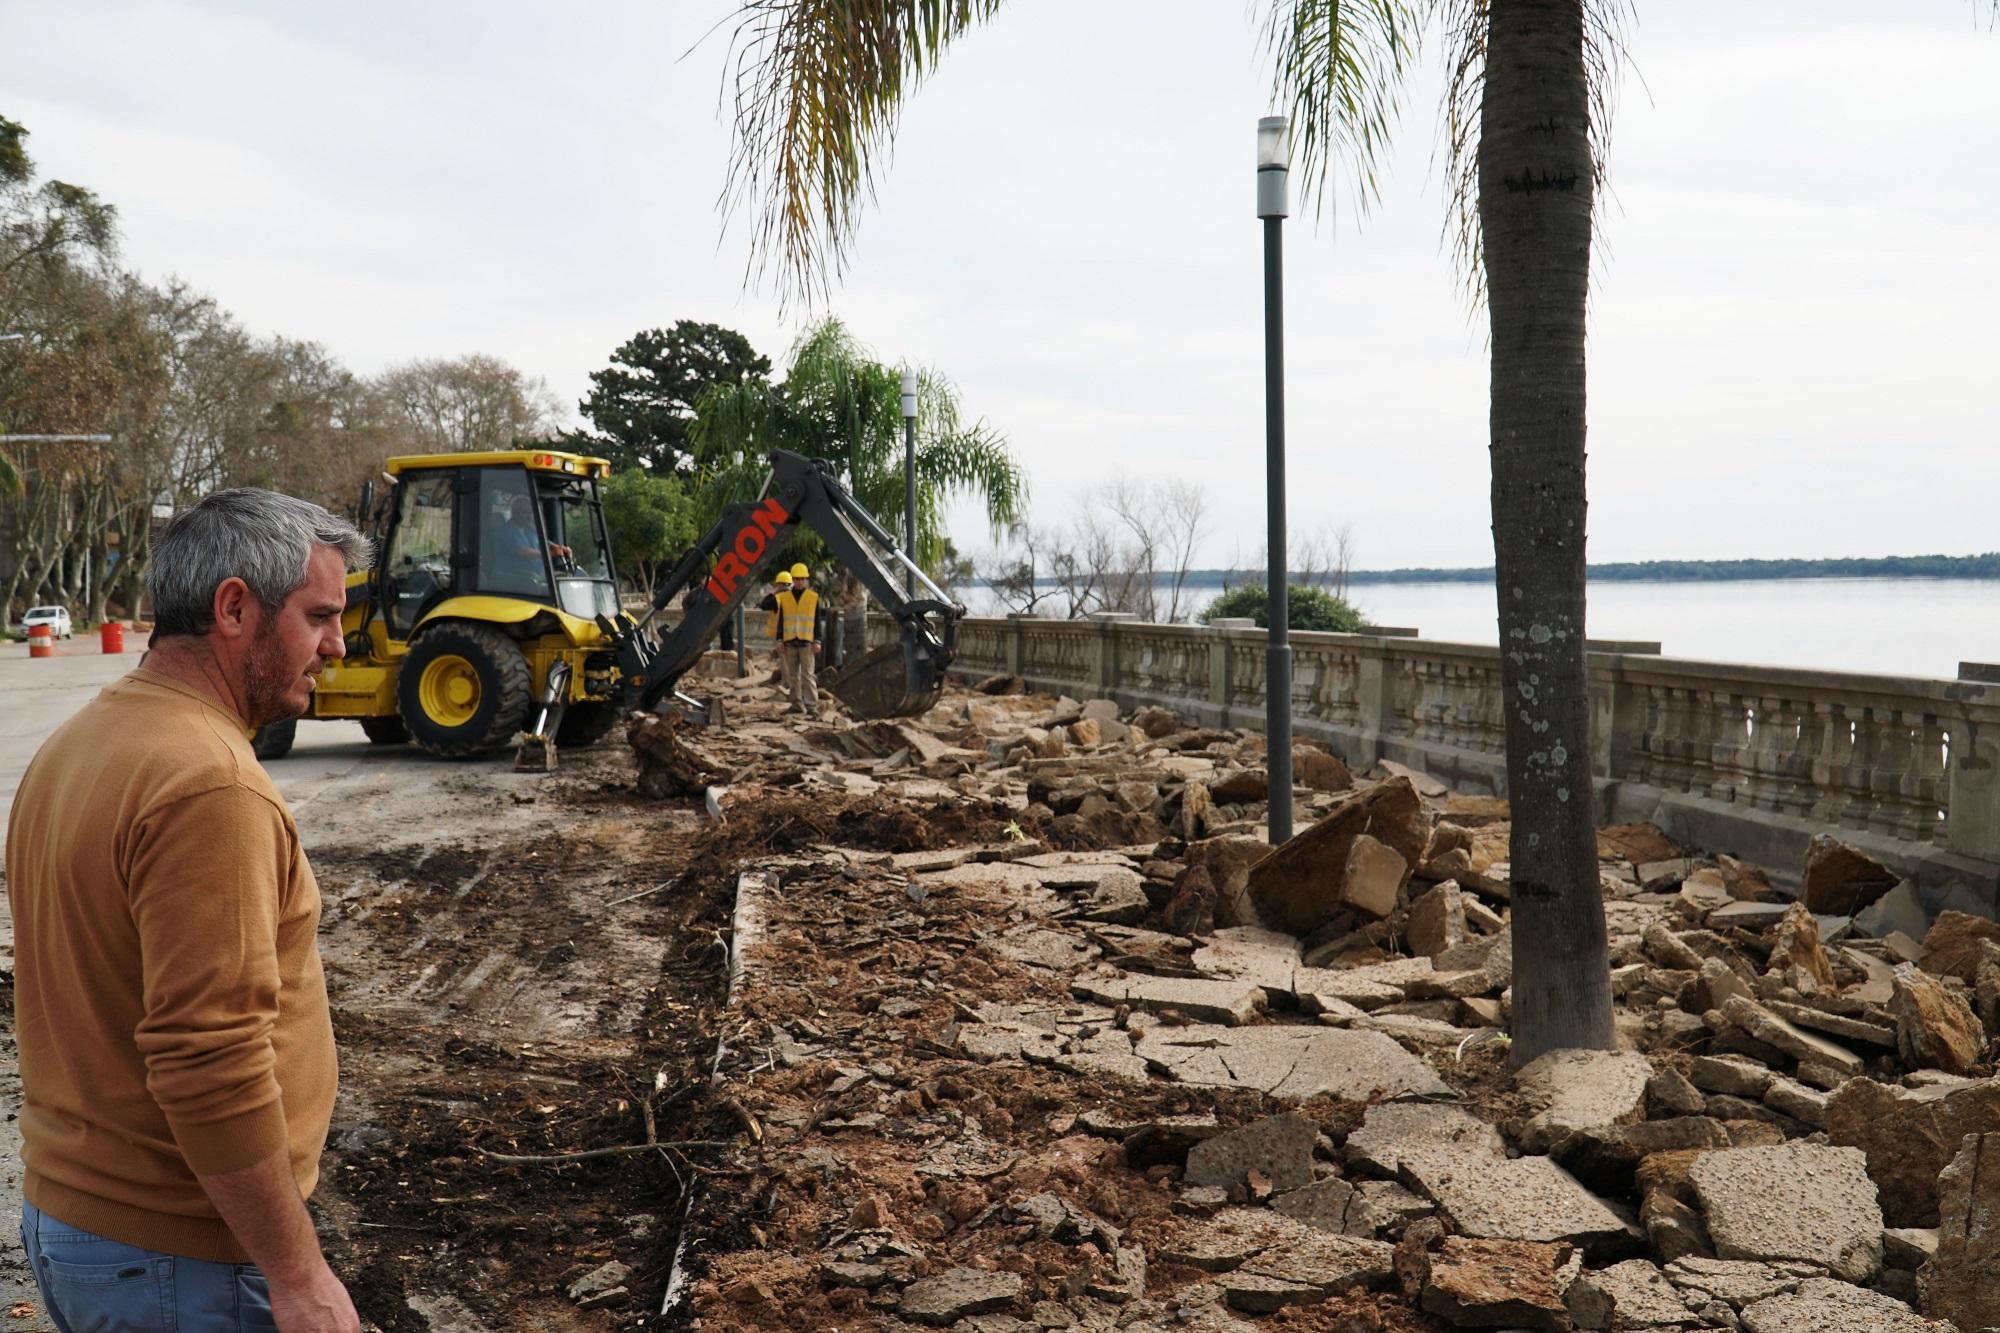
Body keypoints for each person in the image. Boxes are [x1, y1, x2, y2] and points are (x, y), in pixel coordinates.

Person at [6, 488, 370, 1332]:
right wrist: (297, 1271)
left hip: (85, 1229)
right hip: (183, 1261)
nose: (337, 644)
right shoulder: (210, 784)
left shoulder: (82, 742)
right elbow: (209, 1058)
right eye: (320, 616)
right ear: (235, 607)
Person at [757, 561, 825, 717]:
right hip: (790, 642)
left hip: (806, 642)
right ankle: (796, 704)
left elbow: (817, 621)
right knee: (793, 676)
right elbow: (782, 620)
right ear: (793, 579)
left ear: (806, 580)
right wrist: (780, 640)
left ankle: (812, 706)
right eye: (797, 579)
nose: (800, 581)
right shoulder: (785, 598)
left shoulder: (813, 597)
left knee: (807, 675)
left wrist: (818, 640)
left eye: (802, 579)